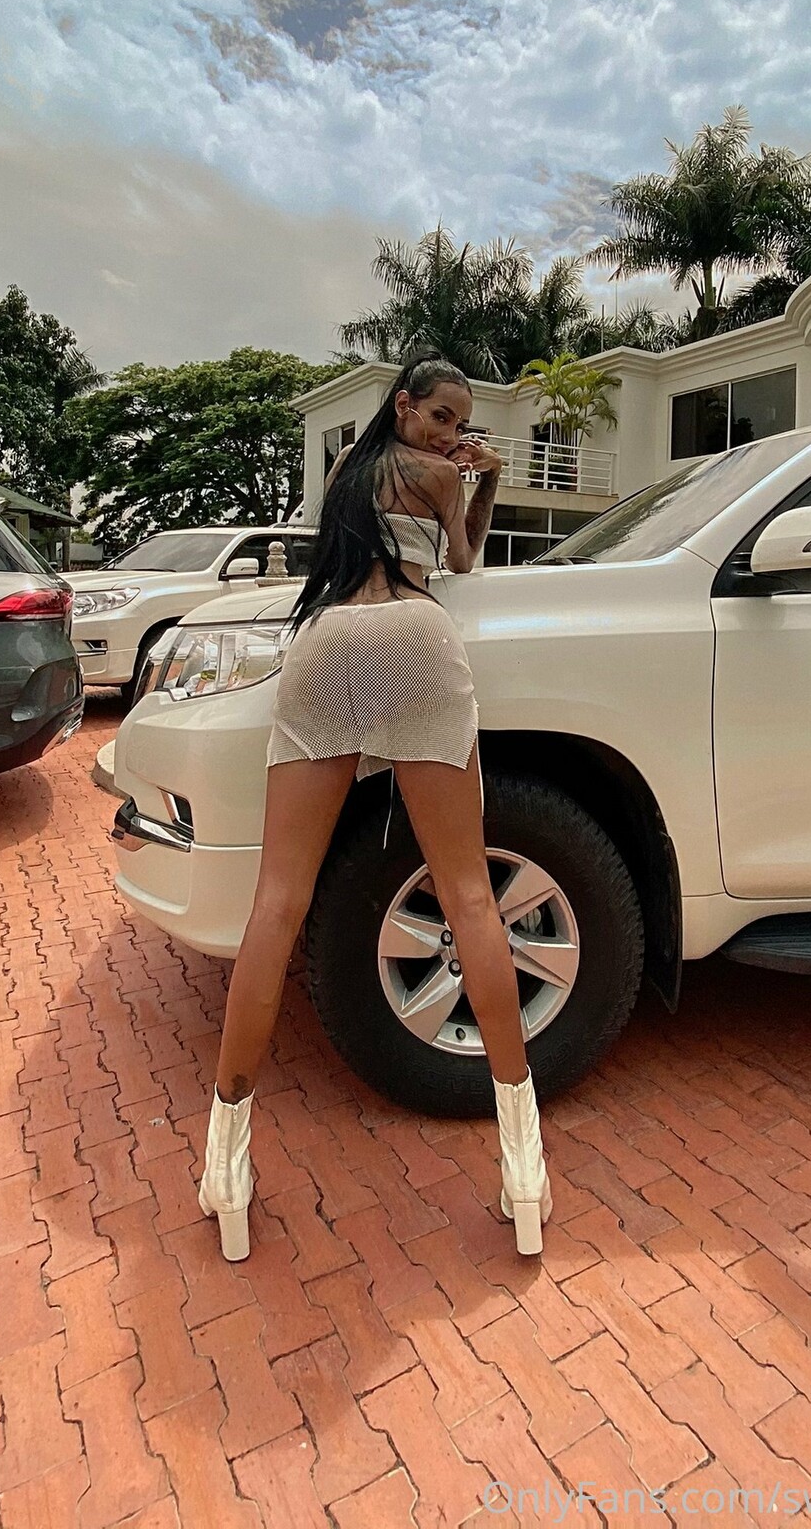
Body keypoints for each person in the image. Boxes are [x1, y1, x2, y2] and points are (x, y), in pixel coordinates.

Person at [196, 348, 552, 1260]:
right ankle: (523, 1163)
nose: (450, 433)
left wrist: (466, 473)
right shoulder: (439, 476)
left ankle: (225, 1157)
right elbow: (462, 560)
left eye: (459, 422)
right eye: (439, 416)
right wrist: (485, 480)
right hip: (414, 640)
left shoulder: (345, 482)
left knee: (276, 904)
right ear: (403, 407)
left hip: (325, 647)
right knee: (469, 896)